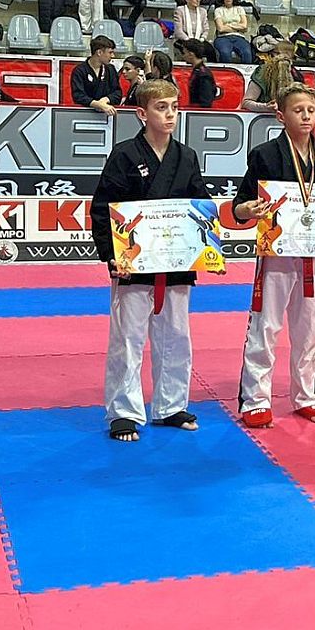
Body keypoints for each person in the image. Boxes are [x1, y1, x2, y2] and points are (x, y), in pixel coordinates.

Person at [91, 78, 209, 441]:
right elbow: (103, 208)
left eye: (174, 107)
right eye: (161, 108)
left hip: (175, 263)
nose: (170, 114)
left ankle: (170, 405)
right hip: (133, 263)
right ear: (142, 114)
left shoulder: (186, 156)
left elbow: (199, 207)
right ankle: (124, 412)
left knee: (177, 336)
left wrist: (206, 249)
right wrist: (111, 255)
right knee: (128, 339)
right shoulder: (125, 154)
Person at [234, 82, 315, 427]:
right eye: (298, 111)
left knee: (310, 327)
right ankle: (255, 399)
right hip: (276, 252)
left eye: (311, 110)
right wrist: (247, 210)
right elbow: (240, 204)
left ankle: (306, 395)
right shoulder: (265, 155)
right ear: (281, 116)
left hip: (314, 253)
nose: (306, 116)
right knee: (266, 325)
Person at [241, 42, 300, 112]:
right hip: (264, 117)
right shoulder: (262, 72)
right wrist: (266, 107)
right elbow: (246, 103)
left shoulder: (296, 74)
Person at [71, 35, 122, 114]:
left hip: (107, 114)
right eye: (110, 52)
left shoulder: (110, 69)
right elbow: (78, 96)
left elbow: (117, 93)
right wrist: (97, 104)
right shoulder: (79, 71)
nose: (113, 56)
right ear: (99, 52)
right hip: (84, 114)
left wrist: (105, 100)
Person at [212, 0, 254, 64]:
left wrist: (228, 25)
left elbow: (244, 26)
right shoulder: (218, 10)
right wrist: (238, 27)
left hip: (239, 37)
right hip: (222, 38)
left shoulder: (240, 9)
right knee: (225, 53)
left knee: (247, 53)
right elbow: (220, 28)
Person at [176, 39, 216, 108]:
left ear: (191, 55)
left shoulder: (203, 75)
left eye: (184, 53)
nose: (183, 56)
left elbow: (206, 102)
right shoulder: (197, 71)